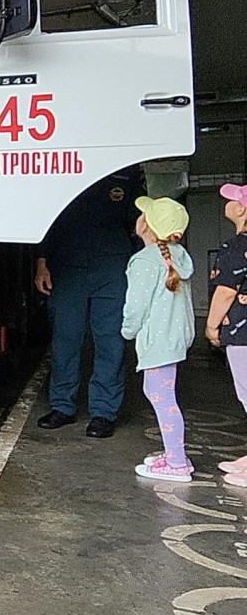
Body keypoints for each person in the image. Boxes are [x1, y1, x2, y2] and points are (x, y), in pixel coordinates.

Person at [35, 171, 140, 438]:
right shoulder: (65, 168)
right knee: (65, 340)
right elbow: (44, 219)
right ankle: (62, 406)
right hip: (67, 267)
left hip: (113, 267)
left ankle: (104, 412)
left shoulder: (126, 174)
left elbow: (141, 223)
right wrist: (41, 262)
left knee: (111, 342)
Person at [120, 197, 195, 482]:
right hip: (175, 337)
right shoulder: (179, 256)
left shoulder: (145, 261)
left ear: (146, 225)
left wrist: (128, 330)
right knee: (163, 395)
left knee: (161, 397)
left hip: (158, 341)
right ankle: (173, 452)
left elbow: (136, 304)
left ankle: (177, 462)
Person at [206, 183, 247, 488]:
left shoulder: (235, 247)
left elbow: (225, 292)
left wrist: (211, 325)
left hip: (242, 333)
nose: (228, 202)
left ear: (241, 209)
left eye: (232, 199)